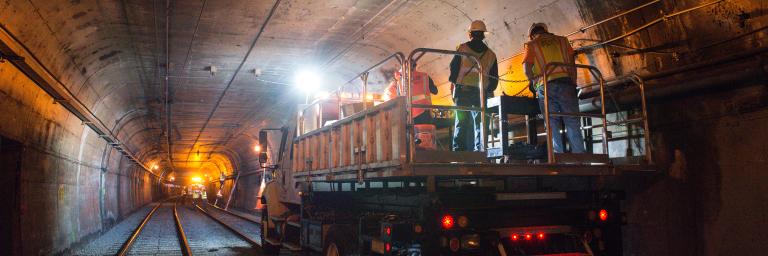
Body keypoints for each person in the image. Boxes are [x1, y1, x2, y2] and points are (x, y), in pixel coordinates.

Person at [521, 22, 585, 153]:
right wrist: (573, 83)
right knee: (572, 121)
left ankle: (556, 157)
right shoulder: (562, 40)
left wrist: (534, 82)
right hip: (566, 84)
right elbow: (572, 65)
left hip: (546, 86)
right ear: (545, 30)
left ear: (532, 35)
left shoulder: (531, 44)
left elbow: (526, 69)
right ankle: (580, 157)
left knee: (551, 124)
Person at [448, 20, 499, 152]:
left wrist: (455, 84)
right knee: (481, 123)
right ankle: (481, 152)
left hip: (463, 92)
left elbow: (453, 69)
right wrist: (488, 89)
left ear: (470, 34)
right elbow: (494, 79)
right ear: (483, 35)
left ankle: (459, 152)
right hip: (481, 93)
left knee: (461, 123)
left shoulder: (463, 48)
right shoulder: (491, 54)